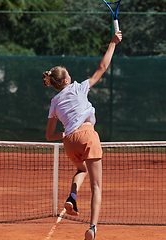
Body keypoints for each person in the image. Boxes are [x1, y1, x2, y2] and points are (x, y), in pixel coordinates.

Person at [42, 31, 122, 240]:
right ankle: (92, 228)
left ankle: (72, 196)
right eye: (68, 74)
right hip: (87, 135)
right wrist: (113, 43)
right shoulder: (78, 88)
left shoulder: (54, 102)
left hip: (69, 141)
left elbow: (50, 135)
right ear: (66, 80)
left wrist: (69, 133)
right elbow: (102, 68)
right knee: (97, 186)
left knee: (81, 169)